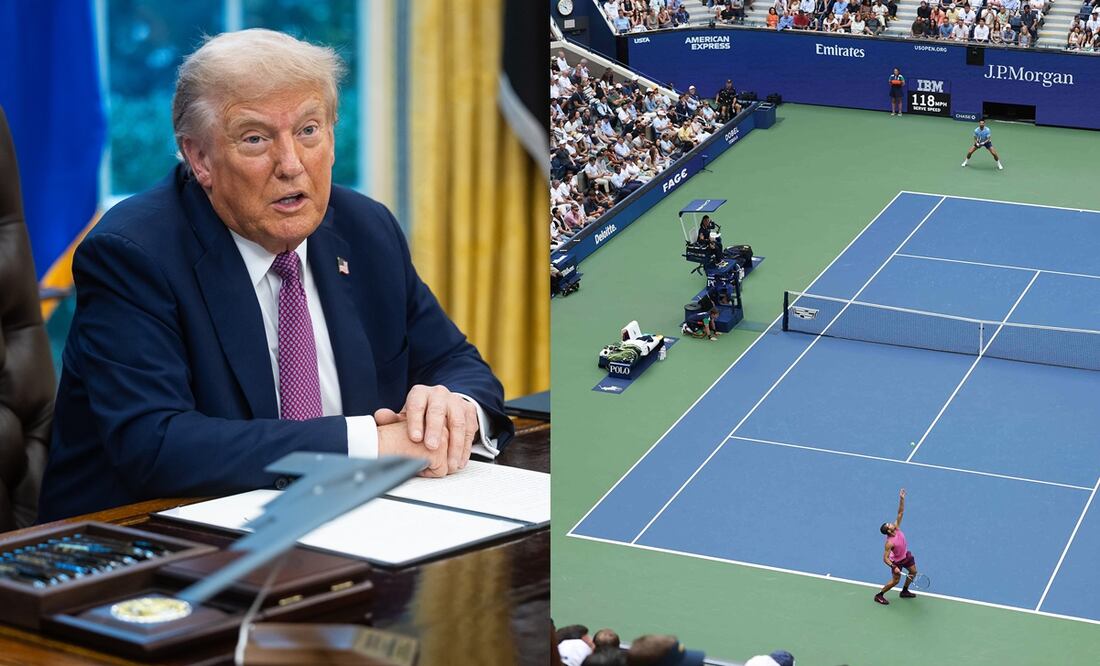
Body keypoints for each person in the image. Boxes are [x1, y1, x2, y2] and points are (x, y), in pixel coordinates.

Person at [38, 29, 513, 521]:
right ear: (199, 158)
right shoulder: (133, 254)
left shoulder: (366, 229)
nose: (291, 165)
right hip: (144, 552)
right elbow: (157, 445)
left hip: (351, 527)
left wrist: (453, 409)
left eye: (309, 130)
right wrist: (374, 443)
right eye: (255, 139)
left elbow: (456, 361)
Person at [875, 488, 919, 605]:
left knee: (913, 572)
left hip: (905, 556)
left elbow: (900, 512)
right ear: (889, 530)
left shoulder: (897, 527)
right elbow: (885, 558)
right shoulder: (889, 542)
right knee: (895, 581)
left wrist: (901, 499)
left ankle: (904, 591)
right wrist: (894, 566)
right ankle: (879, 595)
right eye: (889, 525)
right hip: (897, 562)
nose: (891, 523)